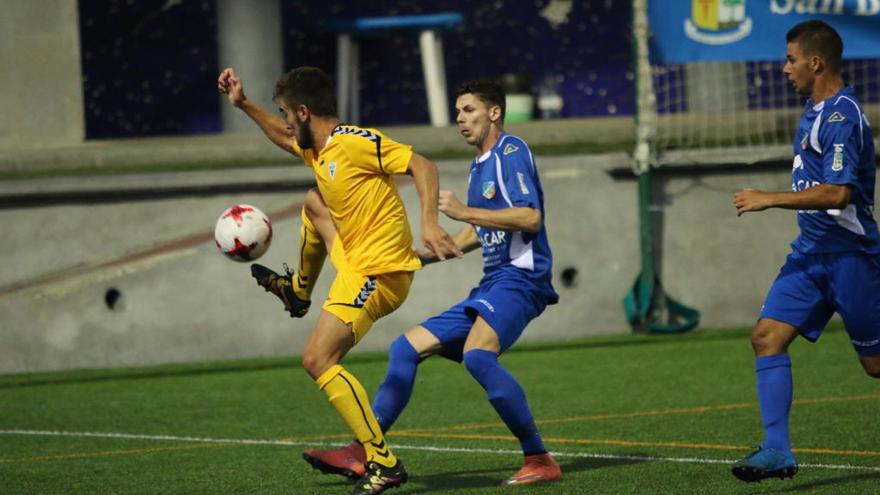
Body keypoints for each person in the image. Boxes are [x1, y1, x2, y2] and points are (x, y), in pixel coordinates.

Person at [303, 79, 562, 487]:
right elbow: (480, 233)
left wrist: (461, 211)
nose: (460, 120)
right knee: (404, 349)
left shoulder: (511, 152)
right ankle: (361, 450)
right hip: (494, 282)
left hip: (522, 279)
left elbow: (530, 218)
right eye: (457, 112)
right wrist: (417, 254)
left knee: (478, 356)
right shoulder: (481, 164)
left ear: (494, 113)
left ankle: (539, 457)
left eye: (470, 111)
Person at [218, 66, 462, 495]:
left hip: (379, 273)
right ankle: (298, 294)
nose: (287, 123)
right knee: (314, 202)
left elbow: (422, 165)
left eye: (288, 114)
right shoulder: (318, 149)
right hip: (354, 263)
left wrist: (428, 222)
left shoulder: (355, 142)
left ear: (306, 111)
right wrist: (243, 104)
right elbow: (282, 135)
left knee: (317, 360)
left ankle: (383, 462)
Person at [730, 20, 880, 483]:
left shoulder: (840, 115)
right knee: (766, 337)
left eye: (791, 59)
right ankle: (777, 451)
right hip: (810, 257)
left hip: (851, 258)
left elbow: (838, 194)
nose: (784, 68)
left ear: (815, 63)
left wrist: (770, 198)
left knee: (875, 366)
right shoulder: (814, 111)